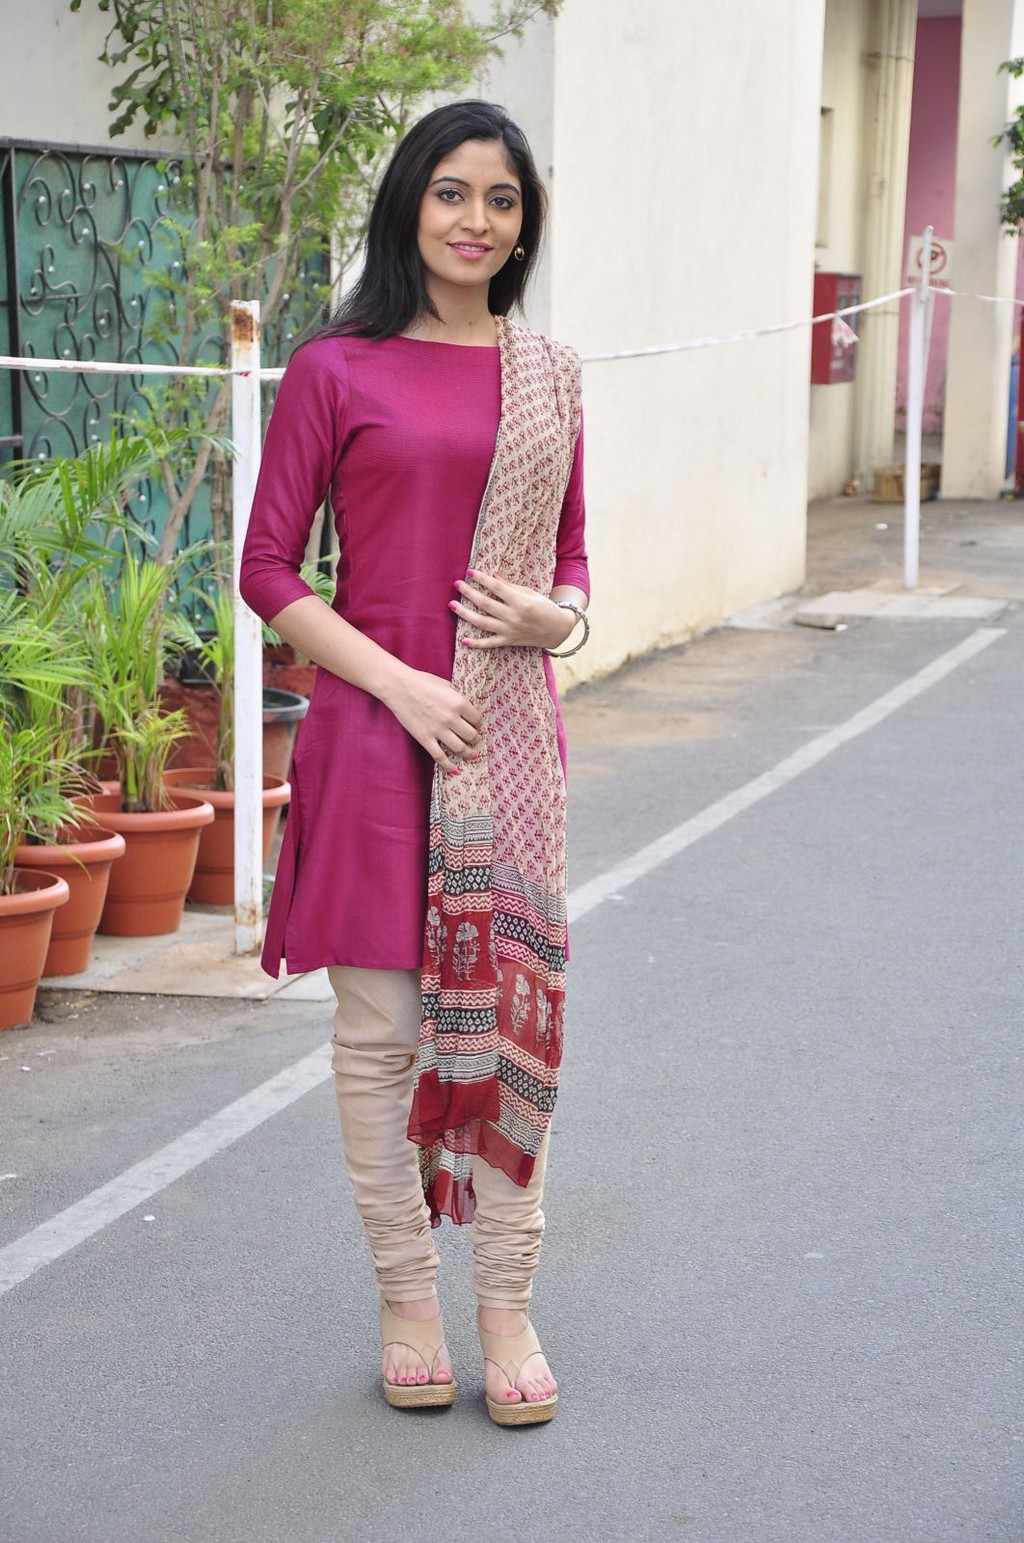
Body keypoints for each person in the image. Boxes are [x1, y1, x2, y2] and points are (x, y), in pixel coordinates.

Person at [239, 99, 589, 1427]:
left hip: (503, 748)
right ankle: (405, 1299)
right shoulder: (338, 368)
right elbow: (268, 568)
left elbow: (572, 560)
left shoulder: (549, 374)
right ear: (408, 205)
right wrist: (395, 681)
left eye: (501, 199)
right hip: (376, 739)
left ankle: (506, 1305)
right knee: (383, 1037)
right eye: (451, 193)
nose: (475, 221)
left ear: (523, 224)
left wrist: (560, 622)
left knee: (505, 1030)